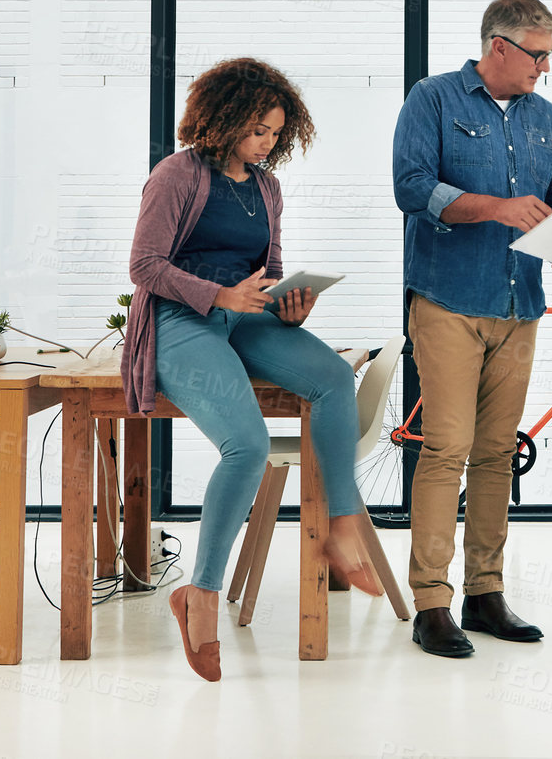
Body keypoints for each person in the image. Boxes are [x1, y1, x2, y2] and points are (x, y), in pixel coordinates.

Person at [122, 57, 381, 684]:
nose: (267, 142)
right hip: (186, 320)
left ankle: (340, 526)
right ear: (224, 118)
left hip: (252, 316)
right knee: (248, 446)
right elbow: (144, 266)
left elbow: (268, 272)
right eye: (257, 129)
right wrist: (218, 297)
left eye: (275, 132)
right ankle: (201, 594)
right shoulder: (176, 174)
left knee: (331, 378)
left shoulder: (266, 187)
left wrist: (291, 304)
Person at [392, 0, 552, 658]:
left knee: (497, 455)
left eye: (549, 56)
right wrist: (495, 209)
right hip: (448, 301)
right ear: (499, 48)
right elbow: (412, 187)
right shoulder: (435, 99)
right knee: (446, 448)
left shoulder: (549, 117)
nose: (544, 67)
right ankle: (430, 601)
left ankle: (484, 592)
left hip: (520, 308)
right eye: (538, 55)